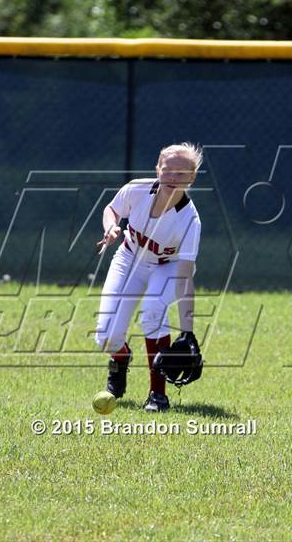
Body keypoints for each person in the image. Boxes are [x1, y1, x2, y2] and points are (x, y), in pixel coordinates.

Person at [94, 142, 202, 412]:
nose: (172, 178)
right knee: (106, 338)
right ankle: (121, 358)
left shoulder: (190, 221)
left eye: (181, 173)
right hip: (129, 257)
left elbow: (186, 277)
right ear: (157, 170)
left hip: (169, 267)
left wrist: (187, 330)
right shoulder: (138, 189)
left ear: (192, 177)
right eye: (167, 171)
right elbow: (112, 209)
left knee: (153, 309)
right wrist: (111, 227)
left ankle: (158, 395)